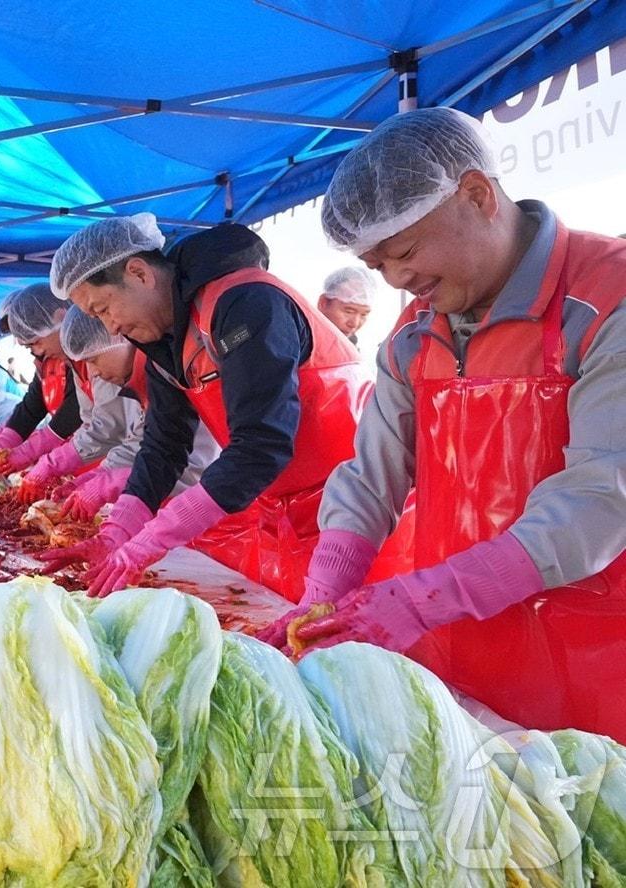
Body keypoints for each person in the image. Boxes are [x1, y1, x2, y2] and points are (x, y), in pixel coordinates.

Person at [267, 108, 625, 740]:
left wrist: (425, 597)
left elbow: (600, 498)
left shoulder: (606, 296)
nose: (398, 280)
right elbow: (372, 474)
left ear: (477, 194)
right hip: (460, 636)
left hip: (596, 651)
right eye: (377, 265)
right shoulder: (413, 333)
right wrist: (322, 589)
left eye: (404, 252)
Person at [45, 212, 386, 603]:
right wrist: (116, 533)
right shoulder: (166, 344)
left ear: (138, 273)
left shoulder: (244, 303)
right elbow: (163, 447)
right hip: (288, 509)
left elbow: (260, 446)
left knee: (355, 623)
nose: (111, 328)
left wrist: (152, 539)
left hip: (359, 510)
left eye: (104, 309)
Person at [52, 306, 219, 521]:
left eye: (93, 360)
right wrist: (104, 474)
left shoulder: (170, 372)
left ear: (122, 339)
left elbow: (191, 463)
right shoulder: (138, 383)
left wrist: (117, 480)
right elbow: (141, 441)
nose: (94, 373)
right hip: (167, 502)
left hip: (209, 512)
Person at [0, 283, 84, 475]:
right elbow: (32, 406)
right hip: (74, 457)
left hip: (95, 460)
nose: (34, 349)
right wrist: (4, 441)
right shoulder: (45, 360)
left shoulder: (86, 355)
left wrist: (32, 451)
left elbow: (79, 409)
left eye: (33, 338)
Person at [317, 266, 377, 344]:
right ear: (323, 303)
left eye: (363, 315)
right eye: (349, 312)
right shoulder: (303, 340)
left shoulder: (350, 347)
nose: (354, 324)